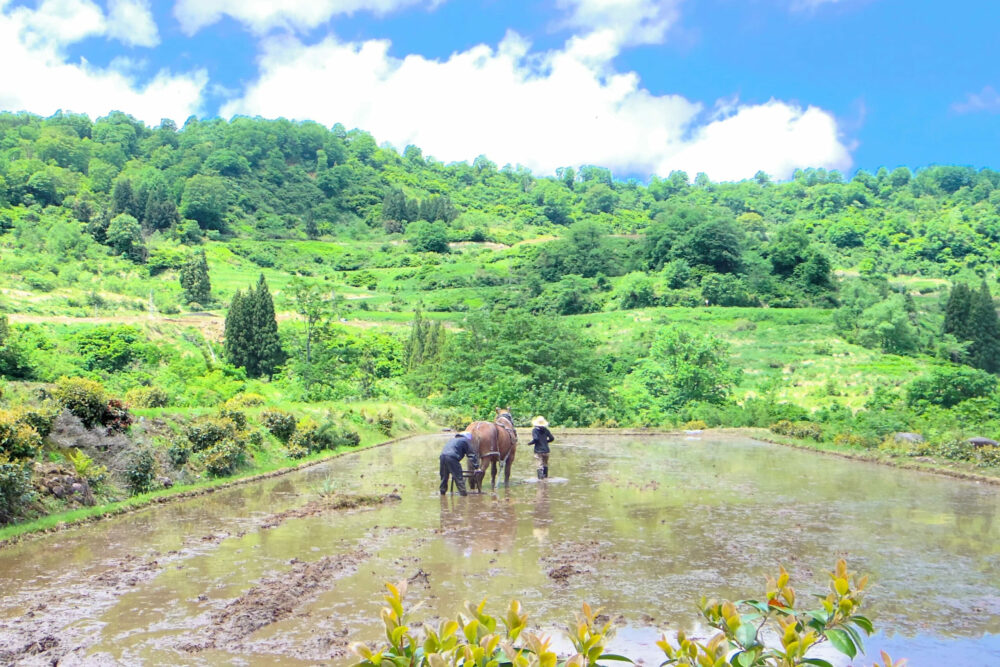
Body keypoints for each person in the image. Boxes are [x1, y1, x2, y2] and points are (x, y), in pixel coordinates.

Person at [440, 432, 479, 496]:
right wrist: (476, 466)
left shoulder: (453, 440)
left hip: (442, 456)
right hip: (452, 457)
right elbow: (471, 454)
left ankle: (442, 494)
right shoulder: (465, 440)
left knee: (444, 477)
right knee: (458, 477)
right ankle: (463, 494)